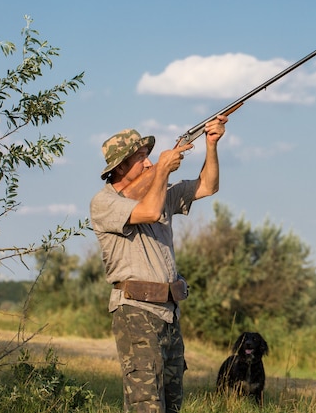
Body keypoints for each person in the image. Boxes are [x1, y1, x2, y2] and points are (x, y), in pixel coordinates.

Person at [89, 115, 228, 413]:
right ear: (120, 166)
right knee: (146, 406)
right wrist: (164, 169)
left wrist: (211, 144)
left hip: (169, 314)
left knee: (172, 405)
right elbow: (150, 211)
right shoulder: (103, 203)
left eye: (151, 158)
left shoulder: (158, 191)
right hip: (135, 312)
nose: (150, 163)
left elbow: (208, 186)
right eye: (141, 158)